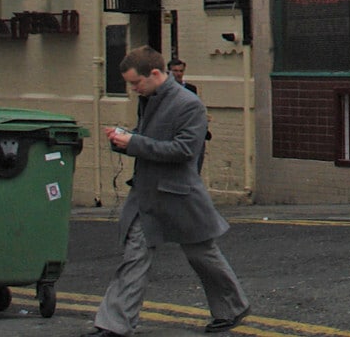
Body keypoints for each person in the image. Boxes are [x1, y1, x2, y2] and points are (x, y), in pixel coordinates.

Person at [81, 45, 249, 337]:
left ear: (156, 73)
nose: (133, 89)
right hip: (147, 195)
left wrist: (132, 142)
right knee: (134, 258)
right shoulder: (150, 99)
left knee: (203, 255)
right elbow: (146, 138)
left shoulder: (189, 104)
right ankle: (114, 325)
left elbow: (184, 150)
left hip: (179, 196)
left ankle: (232, 308)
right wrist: (123, 139)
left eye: (136, 83)